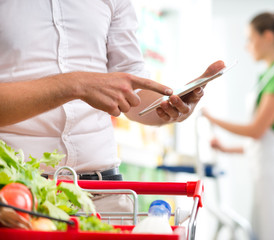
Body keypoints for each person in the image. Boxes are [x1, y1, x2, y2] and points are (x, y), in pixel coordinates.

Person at [0, 0, 224, 217]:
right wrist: (75, 84)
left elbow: (134, 93)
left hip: (105, 196)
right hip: (15, 196)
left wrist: (170, 104)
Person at [202, 9, 274, 240]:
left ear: (268, 36)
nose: (247, 45)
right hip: (266, 167)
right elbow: (263, 140)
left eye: (250, 38)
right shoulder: (268, 76)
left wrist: (212, 118)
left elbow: (256, 131)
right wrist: (226, 148)